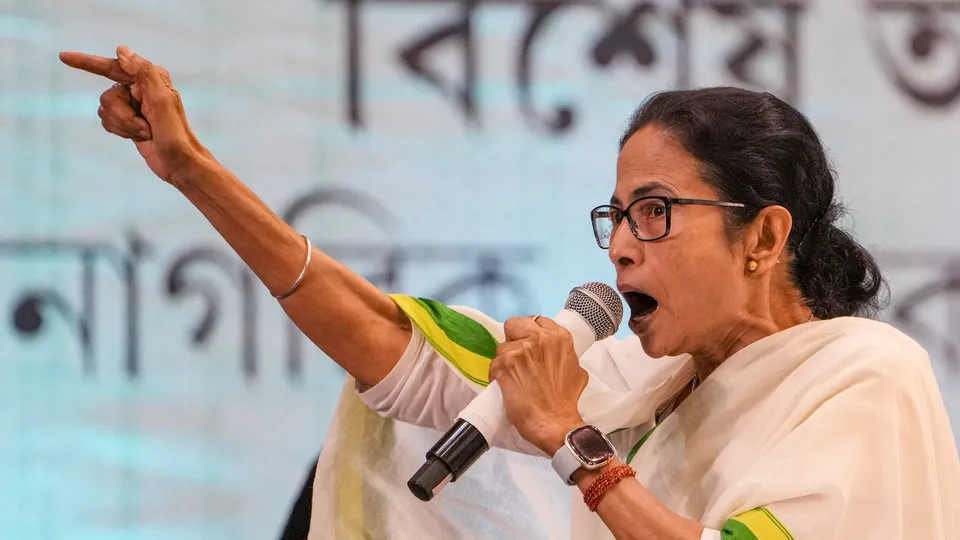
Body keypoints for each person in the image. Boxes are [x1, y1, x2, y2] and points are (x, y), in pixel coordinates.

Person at [60, 46, 960, 539]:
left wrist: (574, 445)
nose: (619, 249)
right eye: (613, 215)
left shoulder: (863, 376)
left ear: (763, 235)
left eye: (654, 213)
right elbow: (396, 350)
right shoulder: (642, 383)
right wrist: (193, 172)